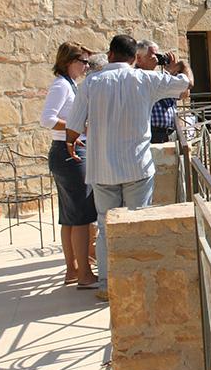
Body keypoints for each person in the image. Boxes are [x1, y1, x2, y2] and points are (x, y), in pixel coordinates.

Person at [66, 35, 193, 301]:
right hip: (137, 166)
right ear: (135, 58)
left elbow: (74, 125)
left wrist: (71, 142)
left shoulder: (91, 83)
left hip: (102, 167)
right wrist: (182, 65)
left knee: (105, 226)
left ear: (110, 55)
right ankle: (137, 284)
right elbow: (185, 84)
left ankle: (106, 284)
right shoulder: (145, 80)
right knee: (138, 224)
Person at [39, 42, 98, 289]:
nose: (86, 66)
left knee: (70, 217)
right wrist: (78, 127)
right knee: (81, 216)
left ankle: (73, 270)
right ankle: (84, 274)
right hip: (69, 153)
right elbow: (47, 119)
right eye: (83, 62)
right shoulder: (61, 85)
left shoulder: (69, 84)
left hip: (66, 152)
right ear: (69, 62)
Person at [135, 40, 179, 143]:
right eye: (153, 55)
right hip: (150, 133)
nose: (157, 59)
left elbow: (184, 93)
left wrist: (173, 72)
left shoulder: (162, 77)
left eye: (158, 55)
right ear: (139, 58)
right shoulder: (135, 77)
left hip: (169, 133)